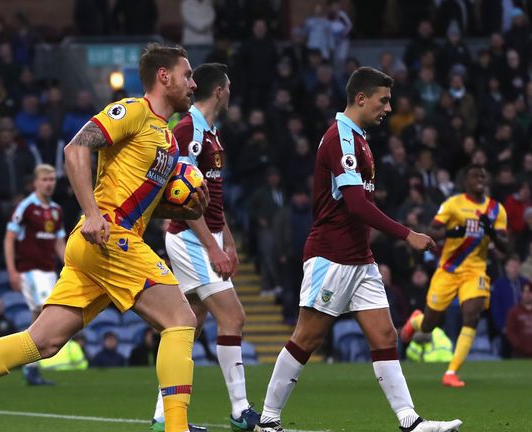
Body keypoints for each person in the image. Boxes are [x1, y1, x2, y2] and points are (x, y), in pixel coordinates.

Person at [0, 43, 208, 432]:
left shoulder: (167, 140)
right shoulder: (132, 111)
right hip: (108, 237)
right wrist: (93, 213)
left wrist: (183, 209)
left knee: (44, 341)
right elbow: (75, 149)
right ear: (163, 76)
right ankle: (175, 427)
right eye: (187, 75)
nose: (193, 83)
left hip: (103, 245)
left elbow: (145, 204)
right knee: (181, 319)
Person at [254, 67, 461, 432]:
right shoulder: (341, 139)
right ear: (361, 98)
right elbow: (355, 204)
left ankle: (410, 421)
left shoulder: (359, 138)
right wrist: (405, 233)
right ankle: (268, 421)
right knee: (308, 337)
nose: (388, 108)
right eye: (383, 101)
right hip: (331, 254)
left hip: (359, 257)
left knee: (385, 335)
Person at [157, 62, 260, 432]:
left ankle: (160, 418)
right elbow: (180, 198)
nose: (230, 93)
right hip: (188, 238)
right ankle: (239, 410)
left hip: (206, 235)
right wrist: (212, 248)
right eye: (228, 87)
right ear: (219, 91)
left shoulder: (211, 133)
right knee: (233, 317)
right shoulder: (187, 130)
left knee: (190, 325)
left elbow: (210, 197)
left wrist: (227, 240)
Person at [402, 164, 510, 388]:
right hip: (448, 270)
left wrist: (490, 231)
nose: (480, 178)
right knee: (431, 323)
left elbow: (506, 246)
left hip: (475, 270)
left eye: (483, 175)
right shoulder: (453, 204)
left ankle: (451, 372)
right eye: (474, 175)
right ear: (466, 182)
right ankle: (416, 321)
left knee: (472, 315)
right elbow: (430, 231)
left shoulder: (496, 210)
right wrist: (452, 232)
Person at [4, 163, 66, 385]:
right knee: (43, 311)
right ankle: (29, 363)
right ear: (36, 182)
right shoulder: (26, 207)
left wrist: (71, 265)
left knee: (39, 317)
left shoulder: (56, 210)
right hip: (30, 270)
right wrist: (12, 270)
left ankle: (31, 366)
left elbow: (59, 241)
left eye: (52, 180)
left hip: (49, 270)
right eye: (45, 180)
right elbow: (10, 238)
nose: (49, 184)